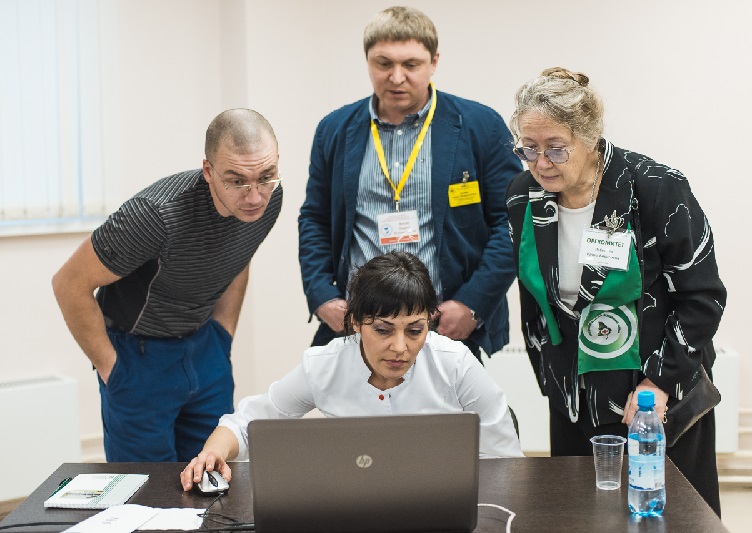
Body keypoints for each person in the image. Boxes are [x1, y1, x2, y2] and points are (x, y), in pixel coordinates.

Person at [505, 67, 726, 514]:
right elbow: (535, 298)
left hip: (654, 400)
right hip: (574, 398)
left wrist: (658, 383)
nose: (540, 163)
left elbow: (703, 296)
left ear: (589, 138)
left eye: (556, 149)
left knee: (668, 517)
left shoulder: (655, 188)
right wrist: (551, 378)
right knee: (581, 515)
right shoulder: (523, 195)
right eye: (528, 148)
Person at [181, 251, 523, 490]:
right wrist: (213, 453)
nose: (400, 347)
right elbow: (246, 424)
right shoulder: (324, 365)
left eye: (415, 330)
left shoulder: (456, 362)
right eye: (383, 330)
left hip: (440, 506)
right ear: (356, 323)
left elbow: (506, 462)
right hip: (354, 506)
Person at [52, 109, 283, 462]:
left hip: (206, 350)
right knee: (145, 489)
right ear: (208, 171)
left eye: (265, 177)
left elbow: (240, 253)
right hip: (139, 357)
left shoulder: (270, 199)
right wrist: (113, 370)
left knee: (212, 477)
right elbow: (68, 285)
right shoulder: (155, 215)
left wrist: (222, 337)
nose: (254, 197)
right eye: (237, 181)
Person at [298, 6, 522, 361]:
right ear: (367, 61)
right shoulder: (335, 129)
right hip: (359, 326)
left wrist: (472, 303)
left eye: (411, 64)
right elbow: (314, 218)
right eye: (384, 63)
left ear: (434, 62)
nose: (397, 77)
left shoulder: (481, 126)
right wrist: (322, 295)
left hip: (445, 326)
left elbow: (512, 222)